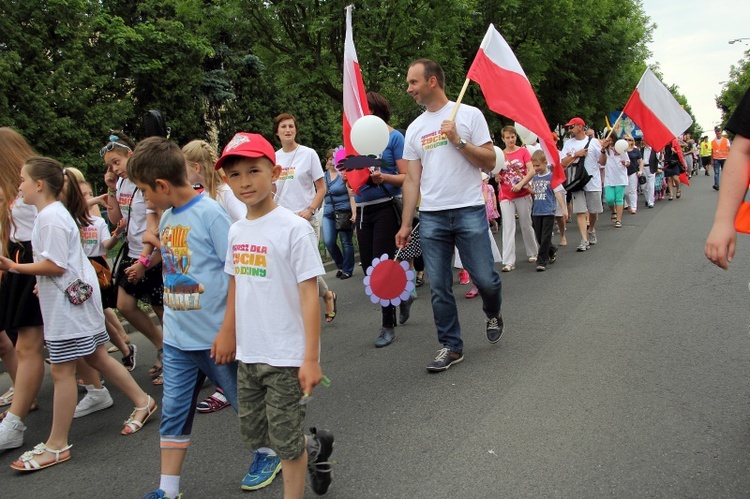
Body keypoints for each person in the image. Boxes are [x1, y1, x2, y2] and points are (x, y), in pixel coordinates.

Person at [0, 157, 156, 471]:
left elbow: (56, 265)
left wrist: (14, 266)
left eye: (23, 180)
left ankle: (57, 444)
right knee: (97, 356)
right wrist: (40, 280)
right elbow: (64, 264)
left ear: (39, 185)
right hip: (72, 303)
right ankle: (143, 401)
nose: (20, 186)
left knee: (62, 371)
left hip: (68, 310)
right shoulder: (52, 215)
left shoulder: (50, 218)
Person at [212, 132, 335, 498]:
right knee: (255, 434)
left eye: (253, 171)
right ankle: (313, 448)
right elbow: (236, 285)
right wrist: (227, 332)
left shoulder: (293, 229)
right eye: (235, 175)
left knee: (284, 444)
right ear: (225, 180)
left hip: (286, 356)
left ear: (275, 172)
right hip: (249, 353)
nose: (245, 182)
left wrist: (310, 359)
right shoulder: (236, 231)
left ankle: (296, 478)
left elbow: (309, 295)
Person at [123, 137, 237, 499]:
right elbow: (174, 255)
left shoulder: (210, 213)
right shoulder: (170, 217)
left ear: (161, 186)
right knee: (174, 411)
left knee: (247, 405)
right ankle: (167, 488)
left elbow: (235, 273)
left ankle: (284, 451)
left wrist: (229, 330)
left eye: (143, 192)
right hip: (177, 339)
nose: (143, 200)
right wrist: (146, 262)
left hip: (215, 337)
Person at [396, 58, 503, 372]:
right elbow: (412, 179)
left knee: (486, 279)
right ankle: (451, 346)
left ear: (432, 82)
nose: (408, 89)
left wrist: (458, 140)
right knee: (440, 286)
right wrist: (405, 224)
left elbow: (489, 162)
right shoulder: (414, 129)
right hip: (432, 218)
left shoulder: (469, 115)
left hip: (469, 209)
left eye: (413, 82)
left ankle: (493, 311)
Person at [182, 139, 243, 415]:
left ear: (195, 167)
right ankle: (226, 384)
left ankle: (232, 388)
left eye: (184, 169)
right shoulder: (201, 194)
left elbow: (242, 225)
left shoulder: (225, 193)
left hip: (230, 274)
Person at [101, 132, 165, 384]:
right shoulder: (121, 184)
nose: (113, 169)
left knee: (162, 309)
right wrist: (111, 191)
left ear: (130, 154)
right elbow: (116, 221)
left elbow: (157, 221)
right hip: (132, 252)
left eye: (116, 162)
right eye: (109, 165)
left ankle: (176, 358)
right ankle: (162, 346)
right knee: (125, 304)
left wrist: (146, 259)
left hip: (153, 253)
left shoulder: (146, 180)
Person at [349, 92, 409, 347]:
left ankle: (388, 325)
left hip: (385, 206)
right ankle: (403, 295)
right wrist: (348, 175)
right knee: (367, 268)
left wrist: (383, 177)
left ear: (376, 111)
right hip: (363, 211)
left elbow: (407, 177)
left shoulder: (395, 137)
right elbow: (349, 168)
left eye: (367, 109)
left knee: (381, 269)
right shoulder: (356, 139)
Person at [0, 128, 44, 449]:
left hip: (33, 264)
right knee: (61, 348)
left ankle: (13, 426)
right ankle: (114, 393)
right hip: (22, 264)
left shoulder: (29, 191)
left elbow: (48, 227)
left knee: (27, 347)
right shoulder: (15, 191)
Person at [272, 114, 337, 323]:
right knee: (289, 270)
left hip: (305, 220)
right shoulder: (273, 158)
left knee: (306, 267)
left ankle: (310, 310)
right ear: (277, 132)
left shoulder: (308, 154)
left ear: (296, 130)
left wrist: (310, 210)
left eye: (291, 126)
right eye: (284, 127)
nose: (288, 130)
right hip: (282, 223)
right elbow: (271, 191)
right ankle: (327, 294)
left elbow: (321, 188)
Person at [705, 87, 750, 270]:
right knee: (716, 172)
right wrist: (724, 221)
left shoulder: (723, 141)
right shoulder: (712, 142)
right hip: (718, 160)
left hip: (722, 159)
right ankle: (716, 182)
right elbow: (743, 151)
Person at [495, 125, 538, 272]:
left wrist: (521, 184)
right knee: (508, 226)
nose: (510, 140)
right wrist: (497, 176)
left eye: (512, 137)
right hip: (506, 194)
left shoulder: (523, 151)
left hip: (522, 193)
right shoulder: (500, 153)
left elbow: (531, 170)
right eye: (507, 138)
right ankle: (508, 261)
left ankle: (533, 251)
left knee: (526, 224)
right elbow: (497, 172)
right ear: (503, 139)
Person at [561, 118, 603, 252]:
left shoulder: (594, 142)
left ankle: (591, 230)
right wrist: (576, 154)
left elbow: (603, 162)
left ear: (580, 127)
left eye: (571, 127)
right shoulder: (568, 144)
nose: (569, 130)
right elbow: (563, 162)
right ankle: (584, 239)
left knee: (594, 211)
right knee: (580, 211)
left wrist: (603, 151)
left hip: (592, 180)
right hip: (576, 181)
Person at [529, 150, 567, 271]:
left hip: (548, 211)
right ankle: (552, 249)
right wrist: (527, 188)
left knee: (545, 236)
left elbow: (557, 193)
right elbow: (535, 192)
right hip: (536, 211)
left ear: (545, 163)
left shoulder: (551, 177)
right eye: (534, 166)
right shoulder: (534, 178)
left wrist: (564, 209)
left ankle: (542, 261)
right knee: (539, 237)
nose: (536, 168)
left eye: (538, 166)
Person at [322, 148, 356, 280]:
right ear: (327, 161)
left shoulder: (344, 175)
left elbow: (351, 194)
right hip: (328, 212)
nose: (332, 162)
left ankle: (347, 269)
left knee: (346, 241)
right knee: (328, 241)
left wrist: (354, 212)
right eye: (330, 159)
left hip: (343, 211)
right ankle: (340, 265)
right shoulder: (323, 176)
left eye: (335, 159)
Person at [599, 135, 630, 228]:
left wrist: (625, 163)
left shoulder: (621, 149)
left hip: (620, 178)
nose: (611, 142)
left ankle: (618, 220)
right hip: (609, 178)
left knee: (619, 199)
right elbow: (602, 162)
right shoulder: (606, 151)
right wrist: (604, 149)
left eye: (612, 140)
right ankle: (613, 211)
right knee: (609, 200)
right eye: (609, 140)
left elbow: (628, 162)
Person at [624, 134, 643, 214]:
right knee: (625, 192)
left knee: (633, 190)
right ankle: (628, 204)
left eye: (629, 140)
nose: (627, 141)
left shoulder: (636, 150)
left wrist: (640, 170)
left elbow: (640, 161)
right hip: (623, 172)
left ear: (632, 141)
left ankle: (633, 207)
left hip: (633, 172)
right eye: (625, 139)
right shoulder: (621, 150)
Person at [640, 141, 661, 209]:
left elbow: (659, 158)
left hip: (651, 168)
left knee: (650, 185)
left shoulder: (654, 149)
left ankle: (650, 202)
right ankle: (648, 198)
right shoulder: (642, 149)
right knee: (643, 186)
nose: (644, 142)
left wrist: (658, 151)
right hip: (643, 168)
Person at [711, 126, 731, 190]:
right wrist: (711, 160)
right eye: (717, 133)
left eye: (719, 133)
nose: (718, 134)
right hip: (716, 158)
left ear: (721, 133)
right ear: (715, 133)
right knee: (716, 173)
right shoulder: (713, 142)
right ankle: (716, 185)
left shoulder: (726, 140)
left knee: (725, 173)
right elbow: (712, 151)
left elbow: (729, 149)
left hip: (724, 158)